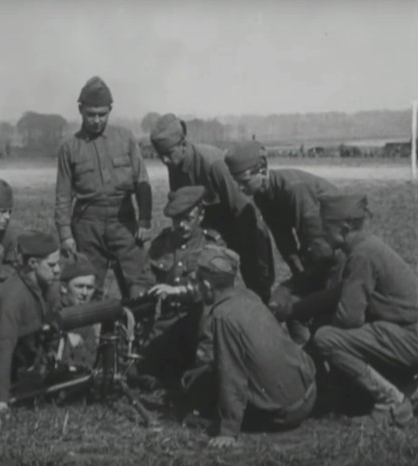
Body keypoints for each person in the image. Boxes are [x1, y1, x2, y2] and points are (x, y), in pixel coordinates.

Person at [308, 193, 418, 427]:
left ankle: (391, 403)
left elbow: (348, 319)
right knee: (358, 387)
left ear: (343, 228)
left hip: (415, 338)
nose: (321, 232)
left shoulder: (362, 254)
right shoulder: (369, 246)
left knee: (325, 338)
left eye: (325, 226)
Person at [188, 245, 317, 449]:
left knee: (200, 394)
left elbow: (231, 374)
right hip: (308, 395)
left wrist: (228, 430)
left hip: (284, 414)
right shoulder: (248, 295)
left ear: (206, 284)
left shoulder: (223, 316)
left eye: (197, 279)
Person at [150, 114, 274, 305]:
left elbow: (245, 210)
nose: (164, 160)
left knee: (257, 290)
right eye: (160, 155)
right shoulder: (174, 163)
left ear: (183, 144)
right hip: (211, 233)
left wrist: (253, 256)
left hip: (242, 227)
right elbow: (181, 206)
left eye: (168, 153)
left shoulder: (213, 164)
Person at [224, 141, 340, 343]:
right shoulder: (263, 193)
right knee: (287, 305)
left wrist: (309, 284)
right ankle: (304, 354)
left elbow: (318, 246)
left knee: (306, 307)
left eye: (244, 181)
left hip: (338, 251)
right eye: (236, 182)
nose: (240, 189)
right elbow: (283, 238)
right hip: (318, 250)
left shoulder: (295, 190)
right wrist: (298, 271)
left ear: (262, 170)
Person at [55, 76, 152, 301]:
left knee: (138, 283)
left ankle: (137, 332)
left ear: (110, 110)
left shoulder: (125, 138)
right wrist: (65, 234)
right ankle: (90, 335)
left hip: (124, 221)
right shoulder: (70, 148)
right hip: (88, 224)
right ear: (80, 110)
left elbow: (141, 180)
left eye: (102, 114)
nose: (97, 120)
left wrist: (145, 219)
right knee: (89, 287)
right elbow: (63, 195)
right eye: (91, 114)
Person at [131, 186, 226, 386]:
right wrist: (137, 299)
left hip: (200, 324)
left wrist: (177, 292)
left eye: (188, 219)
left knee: (204, 371)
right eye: (176, 220)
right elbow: (145, 279)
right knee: (137, 368)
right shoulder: (162, 243)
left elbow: (216, 290)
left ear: (201, 216)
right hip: (169, 322)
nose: (181, 225)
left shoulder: (214, 246)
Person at [0, 230, 62, 417]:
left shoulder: (48, 286)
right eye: (52, 265)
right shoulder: (12, 298)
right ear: (33, 264)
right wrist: (1, 401)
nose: (58, 269)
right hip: (5, 364)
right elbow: (1, 350)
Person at [58, 253, 99, 368]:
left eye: (90, 288)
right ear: (64, 287)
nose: (85, 293)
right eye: (80, 286)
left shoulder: (88, 321)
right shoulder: (52, 312)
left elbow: (90, 362)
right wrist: (66, 341)